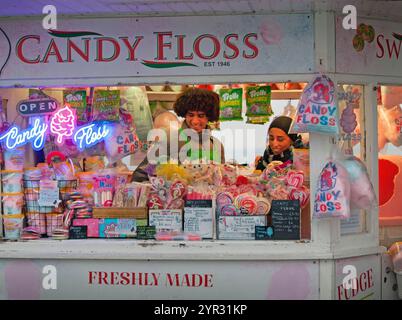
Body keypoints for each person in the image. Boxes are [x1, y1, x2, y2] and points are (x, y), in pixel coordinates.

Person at [132, 87, 225, 182]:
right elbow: (140, 175)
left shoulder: (216, 146)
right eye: (191, 115)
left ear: (209, 117)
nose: (195, 121)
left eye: (201, 116)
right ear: (184, 114)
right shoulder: (169, 140)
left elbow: (221, 179)